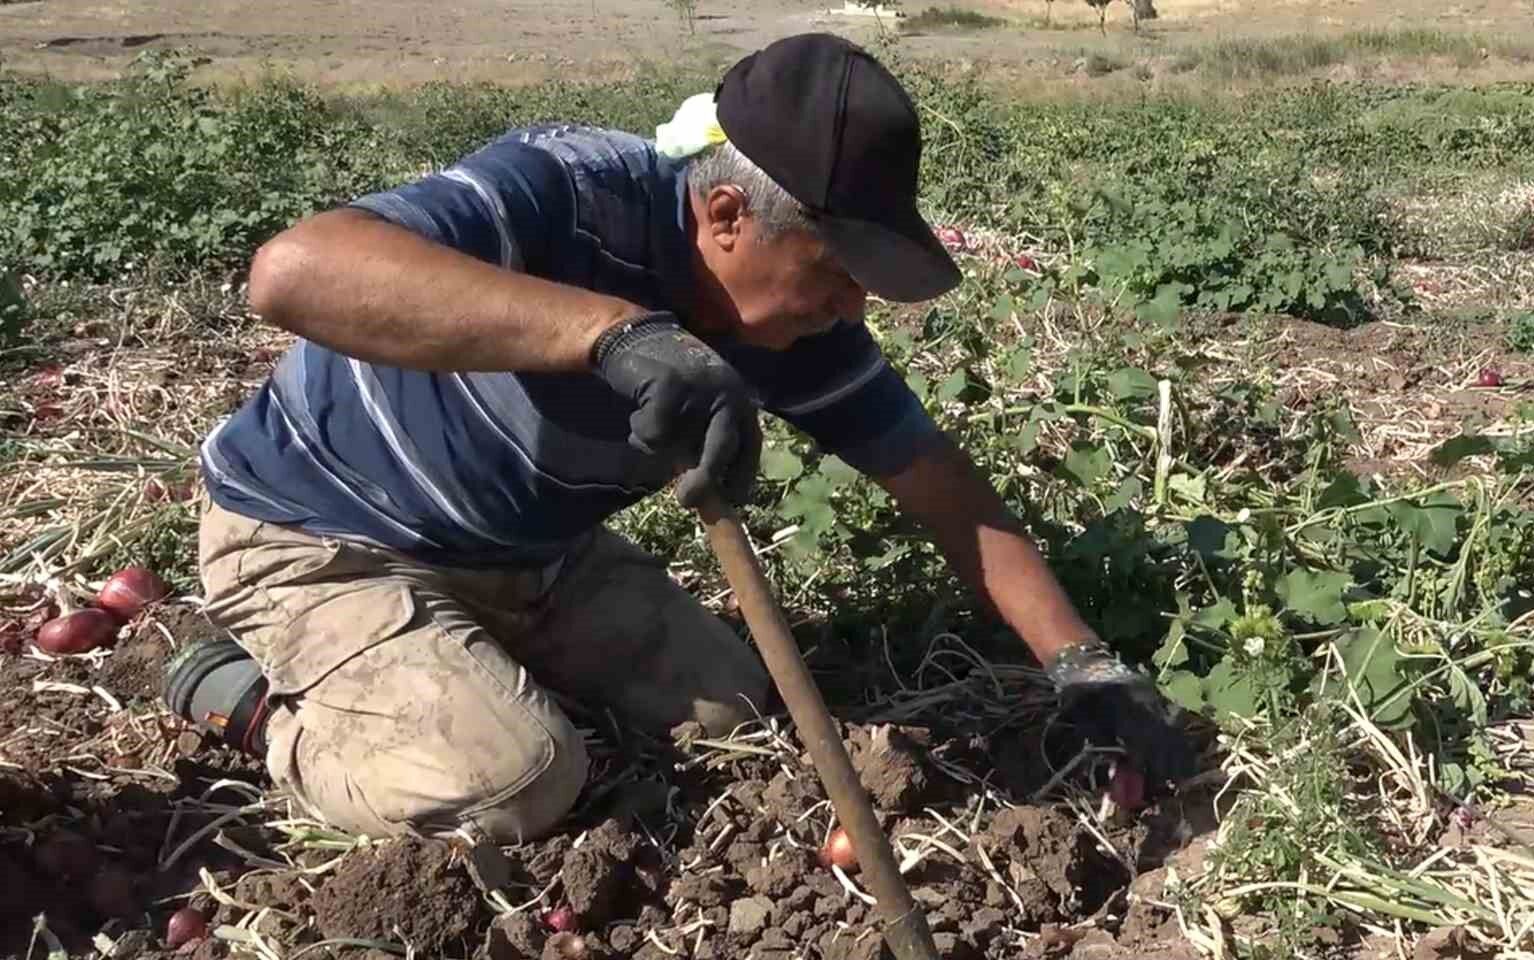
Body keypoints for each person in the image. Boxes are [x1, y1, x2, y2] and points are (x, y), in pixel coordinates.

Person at [162, 32, 1192, 845]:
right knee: (512, 784)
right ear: (731, 211)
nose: (850, 307)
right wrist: (614, 334)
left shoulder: (790, 326)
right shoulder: (564, 188)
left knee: (737, 716)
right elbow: (291, 273)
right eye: (837, 271)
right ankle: (251, 700)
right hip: (322, 536)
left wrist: (1083, 667)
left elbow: (943, 491)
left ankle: (465, 666)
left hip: (531, 562)